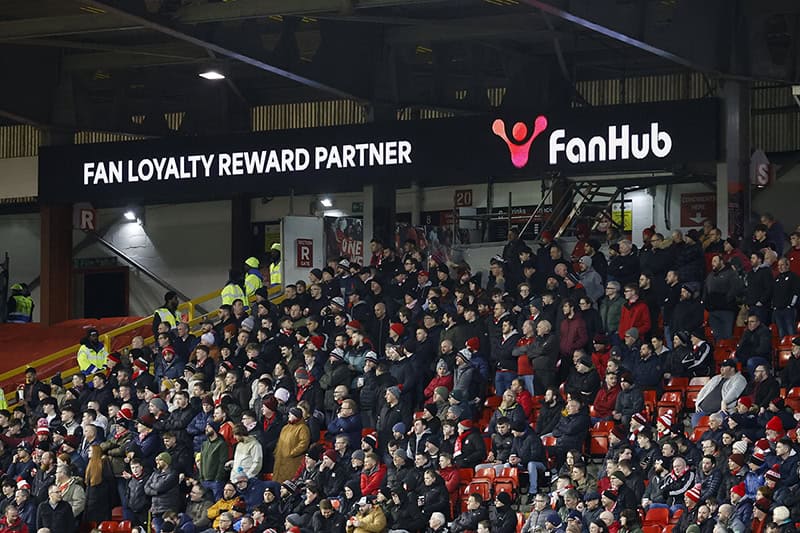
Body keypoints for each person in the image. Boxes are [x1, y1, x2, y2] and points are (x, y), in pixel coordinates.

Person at [692, 359, 747, 426]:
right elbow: (704, 390)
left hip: (721, 411)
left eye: (724, 367)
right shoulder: (716, 378)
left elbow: (734, 392)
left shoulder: (739, 379)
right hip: (702, 410)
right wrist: (697, 403)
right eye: (721, 367)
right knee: (696, 426)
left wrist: (724, 401)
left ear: (732, 369)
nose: (721, 369)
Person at [83, 444, 115, 524]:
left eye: (90, 450)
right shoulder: (90, 464)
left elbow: (110, 482)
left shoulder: (103, 463)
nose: (88, 452)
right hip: (90, 501)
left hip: (101, 502)